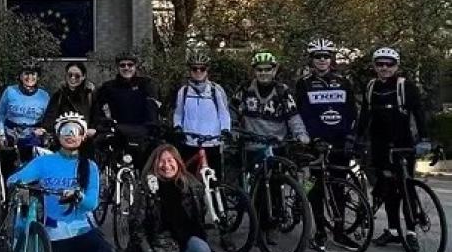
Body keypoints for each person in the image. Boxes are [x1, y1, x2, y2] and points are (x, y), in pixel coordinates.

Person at [7, 112, 125, 252]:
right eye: (65, 131)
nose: (70, 135)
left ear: (82, 136)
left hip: (84, 231)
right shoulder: (44, 162)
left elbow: (92, 204)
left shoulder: (89, 166)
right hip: (55, 236)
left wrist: (78, 196)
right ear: (58, 135)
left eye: (75, 131)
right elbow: (15, 179)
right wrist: (18, 185)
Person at [356, 47, 429, 251]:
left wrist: (424, 138)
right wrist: (357, 137)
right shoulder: (371, 87)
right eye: (380, 64)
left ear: (396, 66)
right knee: (387, 189)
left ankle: (411, 231)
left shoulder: (406, 86)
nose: (384, 68)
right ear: (374, 66)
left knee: (406, 188)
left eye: (389, 64)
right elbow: (365, 115)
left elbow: (419, 113)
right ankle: (393, 230)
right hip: (380, 144)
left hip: (403, 143)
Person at [295, 38, 359, 251]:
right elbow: (303, 114)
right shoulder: (303, 83)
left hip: (340, 142)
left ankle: (339, 232)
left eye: (326, 56)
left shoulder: (344, 82)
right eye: (317, 56)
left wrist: (350, 137)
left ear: (331, 58)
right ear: (311, 59)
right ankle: (320, 230)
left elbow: (351, 111)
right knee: (316, 186)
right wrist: (312, 139)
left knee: (339, 187)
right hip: (317, 142)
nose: (322, 60)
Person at [125, 145, 212, 252]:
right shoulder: (146, 188)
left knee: (201, 249)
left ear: (178, 162)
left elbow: (199, 219)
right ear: (154, 164)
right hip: (155, 249)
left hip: (180, 243)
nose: (166, 166)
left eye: (170, 160)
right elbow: (136, 228)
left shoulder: (190, 185)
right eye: (161, 161)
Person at [171, 50, 231, 182]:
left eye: (202, 69)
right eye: (194, 69)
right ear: (190, 70)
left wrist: (226, 130)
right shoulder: (184, 91)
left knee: (215, 180)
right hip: (190, 141)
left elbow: (224, 113)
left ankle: (217, 201)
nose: (198, 72)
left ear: (207, 70)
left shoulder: (216, 90)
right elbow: (179, 112)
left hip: (212, 141)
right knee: (189, 179)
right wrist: (177, 127)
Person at [230, 52, 310, 149]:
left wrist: (300, 134)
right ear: (254, 71)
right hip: (250, 146)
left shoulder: (282, 90)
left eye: (267, 69)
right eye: (259, 70)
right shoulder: (245, 88)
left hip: (277, 146)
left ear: (274, 70)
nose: (263, 73)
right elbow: (232, 110)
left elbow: (293, 116)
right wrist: (233, 128)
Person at [0, 60, 51, 174]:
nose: (29, 77)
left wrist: (44, 130)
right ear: (20, 76)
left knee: (33, 171)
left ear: (38, 77)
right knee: (8, 170)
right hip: (11, 134)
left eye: (33, 74)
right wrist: (1, 134)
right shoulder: (10, 91)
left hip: (32, 136)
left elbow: (49, 118)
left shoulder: (44, 96)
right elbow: (0, 113)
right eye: (26, 73)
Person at [94, 51, 159, 136]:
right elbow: (100, 112)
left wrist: (149, 130)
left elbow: (152, 112)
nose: (126, 68)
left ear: (135, 67)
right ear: (117, 67)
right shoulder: (107, 88)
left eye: (130, 65)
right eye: (122, 65)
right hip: (117, 134)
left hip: (141, 134)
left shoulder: (146, 85)